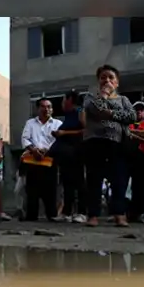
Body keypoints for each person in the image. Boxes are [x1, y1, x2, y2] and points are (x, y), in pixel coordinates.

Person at [82, 65, 144, 227]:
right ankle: (93, 215)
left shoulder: (124, 100)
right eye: (103, 77)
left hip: (118, 143)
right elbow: (96, 110)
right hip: (95, 142)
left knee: (120, 179)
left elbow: (132, 116)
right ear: (98, 81)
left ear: (117, 82)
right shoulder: (91, 96)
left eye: (111, 77)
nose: (107, 80)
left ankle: (119, 214)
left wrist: (111, 114)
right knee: (94, 179)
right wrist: (104, 95)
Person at [21, 99, 63, 222]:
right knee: (32, 188)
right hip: (33, 159)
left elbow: (59, 141)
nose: (46, 109)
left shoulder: (57, 124)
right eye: (43, 107)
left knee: (50, 188)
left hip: (50, 159)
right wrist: (34, 150)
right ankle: (31, 216)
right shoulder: (30, 123)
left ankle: (52, 215)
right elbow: (25, 139)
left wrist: (47, 151)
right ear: (37, 109)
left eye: (49, 107)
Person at [51, 90, 87, 223]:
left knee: (79, 182)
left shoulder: (80, 112)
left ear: (69, 100)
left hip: (77, 152)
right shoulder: (67, 116)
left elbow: (86, 130)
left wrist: (64, 133)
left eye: (63, 99)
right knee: (67, 183)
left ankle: (82, 212)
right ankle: (66, 212)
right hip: (65, 154)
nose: (61, 103)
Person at [126, 101, 144, 222]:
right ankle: (130, 212)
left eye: (141, 110)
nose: (139, 112)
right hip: (129, 158)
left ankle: (141, 212)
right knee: (128, 188)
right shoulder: (128, 123)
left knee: (142, 187)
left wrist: (133, 132)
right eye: (136, 110)